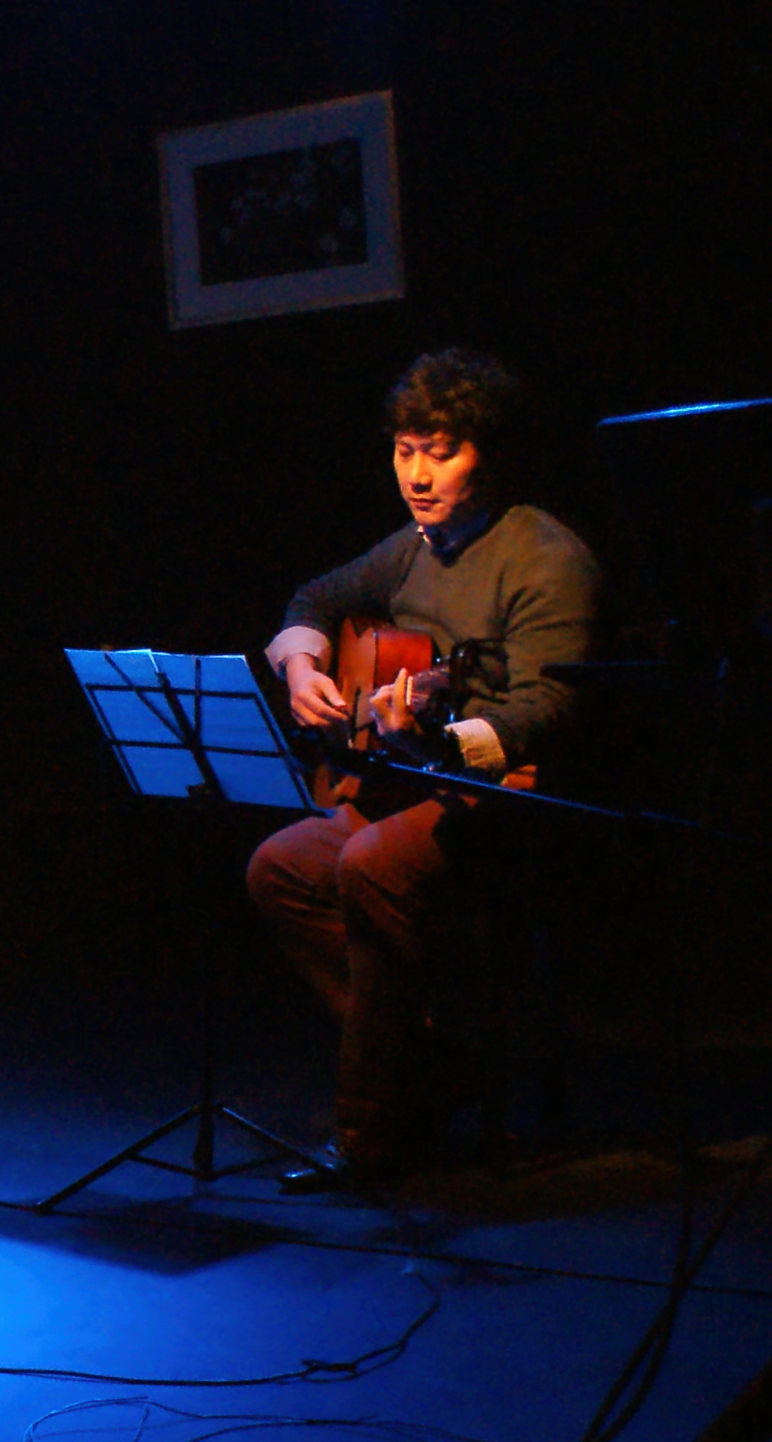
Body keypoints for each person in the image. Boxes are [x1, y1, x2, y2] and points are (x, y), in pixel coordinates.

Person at [244, 350, 599, 1186]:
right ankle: (431, 1064)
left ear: (489, 454)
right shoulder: (412, 547)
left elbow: (551, 705)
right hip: (417, 780)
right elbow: (313, 597)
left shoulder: (544, 555)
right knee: (278, 868)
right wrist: (299, 666)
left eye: (440, 452)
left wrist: (444, 744)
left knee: (369, 863)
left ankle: (371, 1129)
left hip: (510, 796)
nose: (416, 474)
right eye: (404, 451)